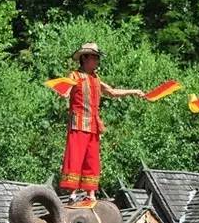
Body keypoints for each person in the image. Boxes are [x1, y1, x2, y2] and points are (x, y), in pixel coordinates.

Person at [58, 42, 145, 203]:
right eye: (94, 58)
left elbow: (112, 91)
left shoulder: (96, 78)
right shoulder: (75, 76)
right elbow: (65, 89)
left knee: (92, 159)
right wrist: (64, 93)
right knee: (75, 156)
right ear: (85, 58)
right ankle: (73, 193)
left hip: (93, 125)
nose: (97, 61)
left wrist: (134, 91)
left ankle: (90, 193)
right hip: (78, 123)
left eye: (97, 58)